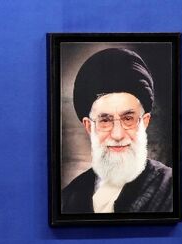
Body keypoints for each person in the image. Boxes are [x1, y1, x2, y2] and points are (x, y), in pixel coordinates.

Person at [61, 47, 173, 213]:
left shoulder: (170, 187)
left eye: (128, 119)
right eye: (105, 120)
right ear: (89, 126)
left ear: (145, 122)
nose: (118, 134)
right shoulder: (68, 198)